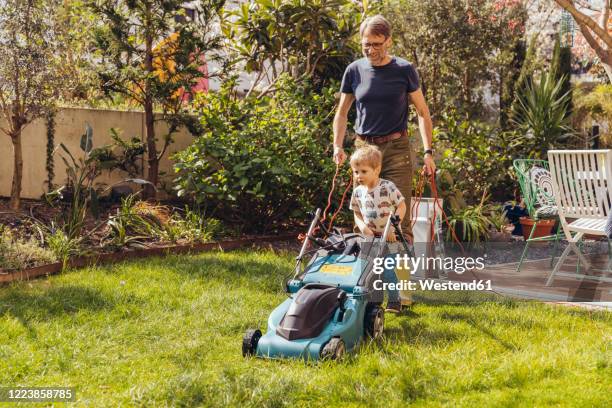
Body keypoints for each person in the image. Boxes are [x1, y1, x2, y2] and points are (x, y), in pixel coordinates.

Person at [333, 14, 436, 243]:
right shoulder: (354, 70)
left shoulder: (404, 69)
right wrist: (337, 146)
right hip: (365, 150)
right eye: (366, 44)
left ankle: (400, 276)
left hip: (396, 150)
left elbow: (422, 112)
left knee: (399, 218)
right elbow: (341, 113)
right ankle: (368, 276)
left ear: (388, 41)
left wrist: (428, 152)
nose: (370, 49)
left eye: (376, 44)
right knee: (365, 215)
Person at [349, 145, 406, 313]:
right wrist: (363, 228)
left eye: (363, 171)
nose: (359, 176)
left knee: (388, 271)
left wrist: (393, 228)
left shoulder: (387, 187)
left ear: (377, 170)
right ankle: (370, 301)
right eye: (356, 172)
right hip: (370, 237)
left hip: (390, 237)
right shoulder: (358, 192)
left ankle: (395, 301)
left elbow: (402, 206)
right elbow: (356, 213)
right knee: (365, 269)